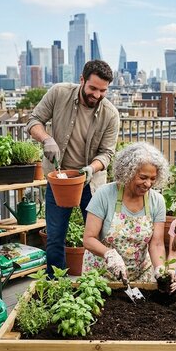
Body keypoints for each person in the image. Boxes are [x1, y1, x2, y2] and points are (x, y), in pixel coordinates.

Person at [27, 59, 120, 277]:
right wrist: (46, 138)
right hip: (60, 180)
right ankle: (55, 287)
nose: (97, 95)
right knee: (55, 236)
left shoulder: (111, 114)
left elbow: (107, 153)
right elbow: (34, 121)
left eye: (103, 90)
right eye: (93, 88)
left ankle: (98, 284)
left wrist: (91, 168)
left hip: (91, 183)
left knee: (97, 238)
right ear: (82, 80)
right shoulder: (59, 93)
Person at [81, 142, 170, 282]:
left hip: (140, 276)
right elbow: (89, 239)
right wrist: (109, 254)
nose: (148, 184)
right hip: (101, 275)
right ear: (128, 172)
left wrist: (160, 269)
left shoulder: (157, 201)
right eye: (143, 177)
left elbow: (157, 244)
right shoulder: (104, 194)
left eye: (153, 179)